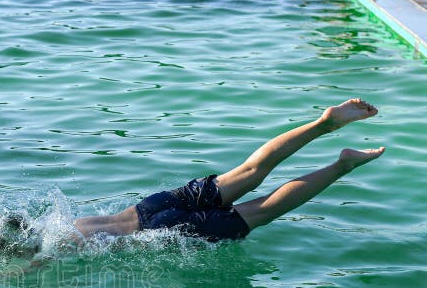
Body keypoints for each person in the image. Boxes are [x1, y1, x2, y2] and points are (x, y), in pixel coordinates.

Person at [71, 98, 384, 243]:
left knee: (262, 211)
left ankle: (342, 165)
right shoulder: (65, 223)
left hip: (158, 230)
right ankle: (323, 124)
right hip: (148, 208)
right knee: (250, 170)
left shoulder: (48, 247)